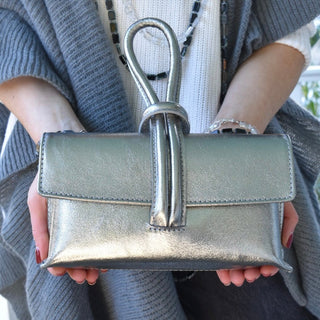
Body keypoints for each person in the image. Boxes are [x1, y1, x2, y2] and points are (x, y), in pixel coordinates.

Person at [0, 0, 319, 319]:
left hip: (235, 194)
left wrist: (239, 139)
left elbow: (287, 24)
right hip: (79, 201)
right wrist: (61, 149)